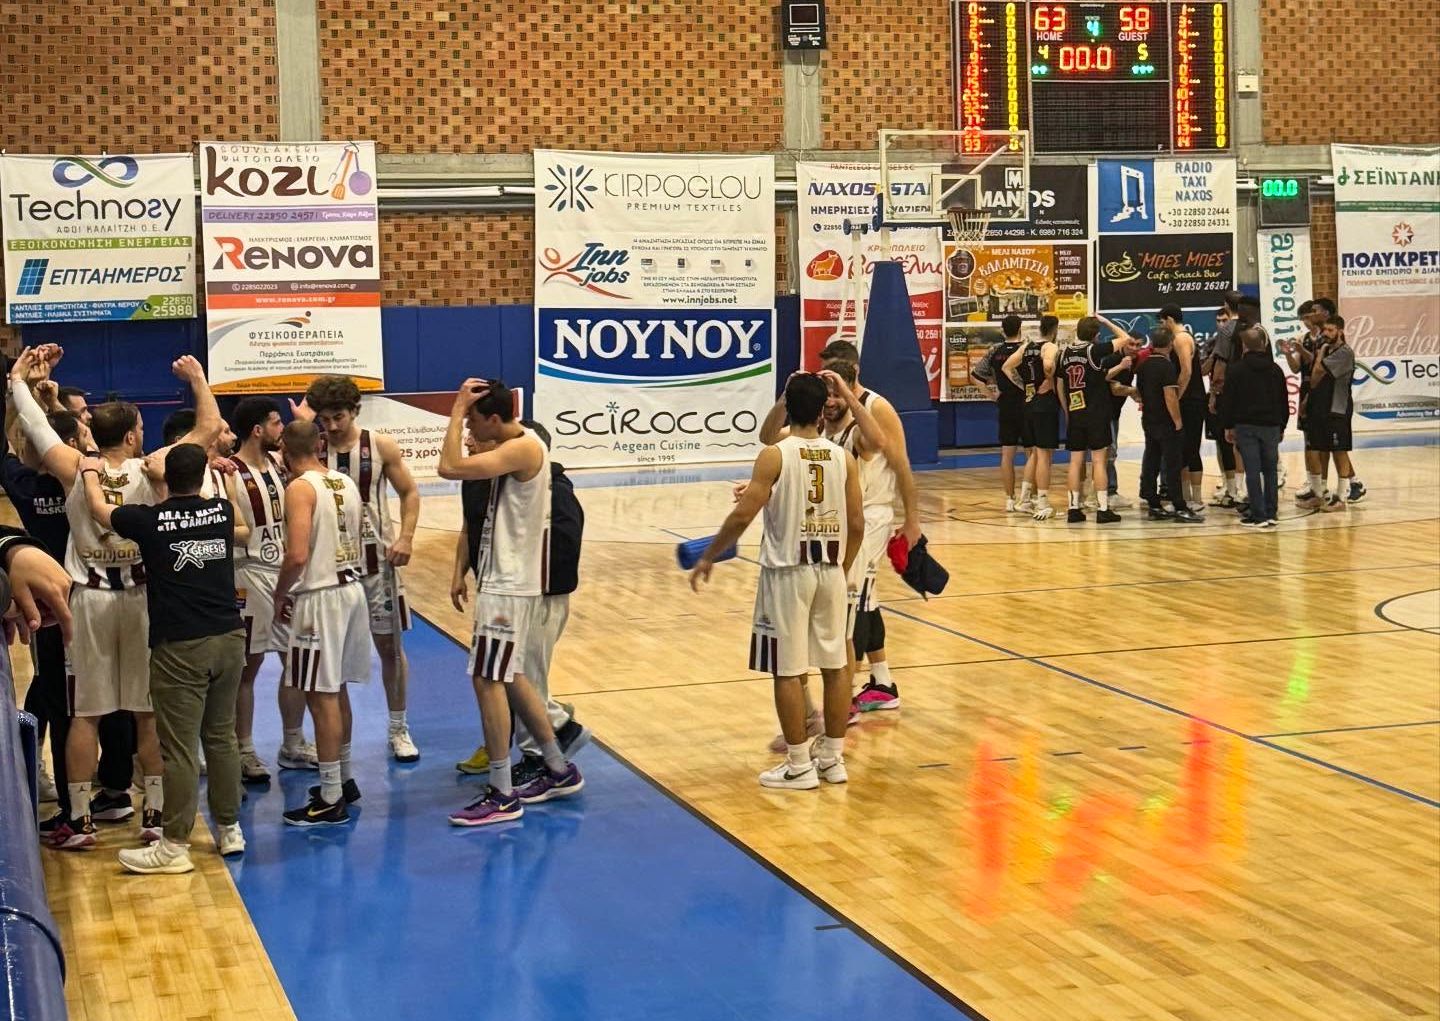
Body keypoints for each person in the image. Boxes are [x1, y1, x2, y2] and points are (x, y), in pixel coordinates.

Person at [10, 347, 220, 850]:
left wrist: (19, 380)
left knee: (86, 715)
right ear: (130, 435)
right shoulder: (157, 467)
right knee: (147, 713)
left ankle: (80, 821)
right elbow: (210, 428)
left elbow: (34, 424)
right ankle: (153, 815)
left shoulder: (75, 467)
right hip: (143, 599)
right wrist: (197, 378)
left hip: (90, 601)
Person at [690, 373, 864, 789]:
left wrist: (709, 555)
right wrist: (842, 568)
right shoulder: (843, 458)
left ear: (787, 407)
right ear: (822, 411)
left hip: (787, 572)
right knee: (836, 666)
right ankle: (833, 759)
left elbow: (742, 515)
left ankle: (799, 764)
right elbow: (857, 523)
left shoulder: (774, 455)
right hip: (830, 569)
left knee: (787, 670)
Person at [81, 443, 247, 872]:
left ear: (165, 478)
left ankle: (174, 846)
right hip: (229, 637)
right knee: (222, 738)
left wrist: (89, 470)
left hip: (180, 646)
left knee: (180, 750)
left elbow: (98, 510)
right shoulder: (220, 512)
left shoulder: (149, 520)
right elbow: (239, 524)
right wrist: (224, 480)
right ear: (203, 477)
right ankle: (230, 829)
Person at [438, 379, 584, 827]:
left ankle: (502, 792)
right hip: (504, 579)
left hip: (510, 584)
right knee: (511, 674)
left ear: (495, 419)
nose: (469, 431)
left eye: (474, 422)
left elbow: (448, 466)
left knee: (487, 679)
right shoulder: (514, 447)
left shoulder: (523, 447)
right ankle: (558, 765)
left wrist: (457, 408)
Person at [296, 376, 422, 763]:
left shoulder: (380, 445)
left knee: (390, 648)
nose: (332, 426)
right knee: (332, 658)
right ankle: (340, 741)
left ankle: (398, 727)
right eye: (325, 419)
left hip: (377, 565)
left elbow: (410, 492)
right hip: (330, 571)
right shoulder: (311, 447)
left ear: (355, 411)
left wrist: (406, 538)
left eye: (339, 417)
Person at [273, 421, 372, 826]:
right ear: (319, 445)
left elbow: (297, 555)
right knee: (337, 688)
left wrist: (280, 594)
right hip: (352, 589)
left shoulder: (300, 488)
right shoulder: (344, 481)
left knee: (320, 695)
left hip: (320, 596)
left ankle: (331, 796)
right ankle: (344, 779)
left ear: (284, 451)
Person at [815, 340, 921, 714]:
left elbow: (901, 464)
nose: (829, 385)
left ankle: (843, 698)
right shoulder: (829, 409)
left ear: (853, 372)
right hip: (843, 518)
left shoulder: (876, 408)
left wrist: (912, 519)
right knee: (866, 601)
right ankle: (882, 682)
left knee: (852, 604)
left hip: (871, 517)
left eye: (835, 375)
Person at [227, 397, 314, 781]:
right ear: (258, 430)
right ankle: (243, 750)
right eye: (277, 423)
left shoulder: (281, 465)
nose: (282, 430)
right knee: (247, 667)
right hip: (247, 576)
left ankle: (292, 743)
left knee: (296, 661)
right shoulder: (227, 472)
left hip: (283, 575)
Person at [1056, 318, 1134, 523]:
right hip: (1096, 413)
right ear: (1095, 335)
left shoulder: (1063, 353)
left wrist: (1067, 411)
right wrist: (1105, 321)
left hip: (1075, 412)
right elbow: (1125, 338)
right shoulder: (1094, 350)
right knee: (1099, 462)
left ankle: (1073, 508)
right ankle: (1102, 509)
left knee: (1075, 462)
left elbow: (1060, 385)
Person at [1220, 328, 1288, 528]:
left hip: (1246, 425)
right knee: (1271, 471)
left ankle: (1258, 515)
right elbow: (1283, 400)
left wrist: (1227, 425)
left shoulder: (1236, 370)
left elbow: (1229, 400)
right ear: (1264, 344)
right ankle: (1271, 512)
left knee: (1252, 470)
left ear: (1244, 346)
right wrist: (1282, 425)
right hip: (1271, 425)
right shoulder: (1275, 370)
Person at [1135, 328, 1202, 523]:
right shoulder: (1167, 366)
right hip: (1165, 421)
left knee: (1152, 459)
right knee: (1173, 463)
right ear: (1170, 345)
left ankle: (1153, 502)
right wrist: (1177, 421)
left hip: (1149, 419)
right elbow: (1170, 396)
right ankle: (1179, 505)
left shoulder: (1144, 365)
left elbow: (1139, 393)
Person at [1002, 316, 1062, 520]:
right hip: (1044, 404)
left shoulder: (1026, 347)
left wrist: (1024, 385)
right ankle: (1043, 502)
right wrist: (1049, 378)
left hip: (1028, 402)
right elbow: (1048, 365)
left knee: (1035, 453)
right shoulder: (1049, 347)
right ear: (1054, 329)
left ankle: (1025, 499)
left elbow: (1006, 367)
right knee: (1044, 454)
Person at [1306, 315, 1362, 512]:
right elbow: (1314, 381)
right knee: (1321, 449)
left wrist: (1320, 352)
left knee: (1339, 451)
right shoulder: (1329, 349)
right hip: (1322, 408)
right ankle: (1319, 494)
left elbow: (1317, 374)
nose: (1326, 334)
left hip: (1338, 408)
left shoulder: (1344, 352)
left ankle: (1341, 496)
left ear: (1340, 331)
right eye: (1325, 330)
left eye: (1331, 330)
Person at [1159, 305, 1208, 514]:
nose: (1161, 325)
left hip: (1191, 400)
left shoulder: (1181, 338)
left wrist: (1177, 397)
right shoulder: (1179, 338)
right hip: (1189, 399)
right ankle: (1185, 497)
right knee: (1183, 450)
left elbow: (1186, 371)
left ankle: (1196, 498)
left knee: (1191, 448)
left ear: (1169, 319)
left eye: (1162, 321)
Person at [987, 316, 1034, 513]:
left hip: (1005, 404)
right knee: (1032, 453)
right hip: (1026, 403)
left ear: (1003, 330)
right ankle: (1030, 497)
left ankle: (1009, 499)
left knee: (1007, 454)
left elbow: (976, 376)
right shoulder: (1027, 349)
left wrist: (992, 396)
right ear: (1020, 329)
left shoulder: (995, 351)